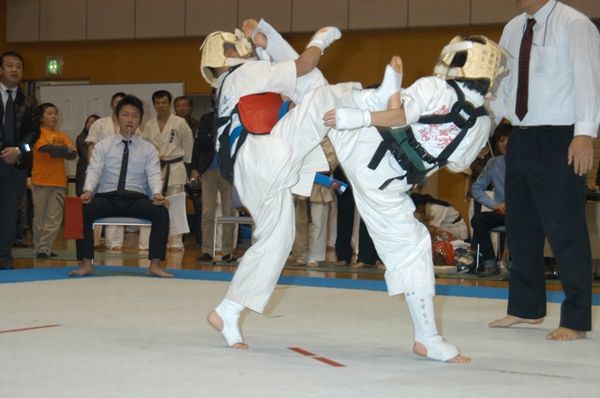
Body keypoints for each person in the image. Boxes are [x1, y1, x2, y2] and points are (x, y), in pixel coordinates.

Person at [203, 19, 503, 363]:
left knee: (285, 239)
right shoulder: (480, 121)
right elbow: (304, 68)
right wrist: (282, 39)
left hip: (357, 163)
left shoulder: (440, 91)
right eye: (233, 47)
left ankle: (227, 311)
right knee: (319, 93)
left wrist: (264, 38)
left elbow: (398, 111)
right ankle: (428, 337)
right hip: (339, 160)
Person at [488, 0, 600, 341]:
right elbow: (503, 86)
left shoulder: (575, 24)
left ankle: (576, 318)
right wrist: (482, 127)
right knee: (520, 229)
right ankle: (525, 308)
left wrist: (584, 134)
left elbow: (589, 79)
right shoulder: (513, 27)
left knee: (566, 230)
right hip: (520, 136)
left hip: (560, 136)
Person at [70, 95, 172, 278]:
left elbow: (154, 174)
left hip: (136, 198)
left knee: (161, 213)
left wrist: (157, 194)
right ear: (117, 117)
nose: (130, 119)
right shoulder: (103, 146)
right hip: (106, 197)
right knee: (81, 211)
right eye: (126, 114)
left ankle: (155, 265)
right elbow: (94, 170)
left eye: (135, 116)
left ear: (140, 119)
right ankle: (86, 263)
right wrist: (88, 191)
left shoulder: (148, 149)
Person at [139, 90, 194, 251]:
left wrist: (187, 167)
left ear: (169, 104)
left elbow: (188, 146)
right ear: (154, 104)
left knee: (175, 205)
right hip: (155, 169)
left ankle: (176, 242)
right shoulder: (149, 124)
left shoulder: (179, 123)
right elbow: (144, 148)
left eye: (163, 102)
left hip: (175, 167)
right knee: (153, 205)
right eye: (157, 103)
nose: (160, 106)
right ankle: (149, 241)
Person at [0, 51, 39, 270]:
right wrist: (3, 151)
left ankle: (3, 259)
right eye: (10, 65)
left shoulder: (30, 102)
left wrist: (18, 150)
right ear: (1, 70)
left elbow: (33, 136)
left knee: (9, 213)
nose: (14, 70)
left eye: (18, 66)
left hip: (16, 165)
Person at [189, 91, 235, 262]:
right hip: (208, 169)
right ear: (214, 98)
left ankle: (227, 252)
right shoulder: (206, 118)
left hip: (228, 170)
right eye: (218, 94)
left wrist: (213, 137)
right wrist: (194, 168)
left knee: (229, 212)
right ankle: (207, 249)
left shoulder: (234, 116)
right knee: (208, 212)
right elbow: (199, 144)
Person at [31, 103, 77, 258]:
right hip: (40, 181)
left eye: (55, 113)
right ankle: (38, 247)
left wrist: (58, 150)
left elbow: (72, 154)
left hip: (58, 183)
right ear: (41, 118)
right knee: (39, 218)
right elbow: (45, 149)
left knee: (54, 218)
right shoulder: (37, 133)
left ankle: (45, 248)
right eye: (50, 113)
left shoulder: (63, 136)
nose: (54, 116)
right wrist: (61, 150)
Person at [85, 92, 127, 250]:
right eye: (116, 102)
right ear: (111, 105)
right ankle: (93, 241)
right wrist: (93, 170)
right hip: (101, 172)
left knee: (118, 207)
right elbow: (91, 147)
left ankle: (115, 243)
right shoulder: (100, 124)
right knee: (96, 207)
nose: (119, 105)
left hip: (122, 175)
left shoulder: (131, 126)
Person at [467, 125, 510, 276]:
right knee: (478, 219)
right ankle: (490, 263)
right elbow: (476, 189)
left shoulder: (528, 163)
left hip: (523, 214)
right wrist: (494, 204)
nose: (505, 143)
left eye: (509, 140)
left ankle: (517, 264)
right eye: (501, 140)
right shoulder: (494, 163)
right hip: (502, 213)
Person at [75, 114, 100, 196]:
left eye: (92, 122)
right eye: (88, 122)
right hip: (84, 172)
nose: (89, 124)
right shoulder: (81, 138)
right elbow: (87, 156)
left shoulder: (104, 139)